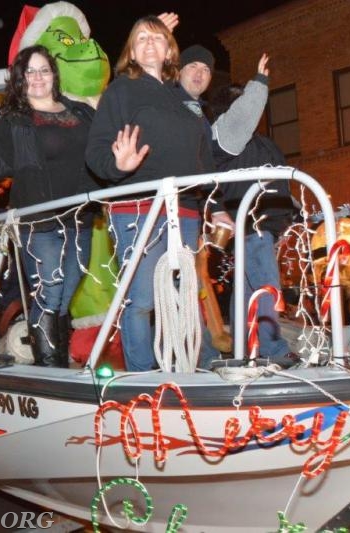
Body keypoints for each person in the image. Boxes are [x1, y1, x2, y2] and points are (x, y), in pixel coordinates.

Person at [85, 16, 226, 371]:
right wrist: (120, 165)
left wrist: (218, 207)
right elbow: (96, 152)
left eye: (157, 39)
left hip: (188, 210)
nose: (149, 43)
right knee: (144, 298)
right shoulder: (120, 90)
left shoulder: (181, 99)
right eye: (141, 39)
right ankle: (143, 377)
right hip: (139, 207)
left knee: (187, 297)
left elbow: (204, 160)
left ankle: (197, 364)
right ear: (131, 51)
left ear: (169, 51)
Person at [0, 45, 99, 367]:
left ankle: (56, 364)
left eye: (44, 69)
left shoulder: (82, 112)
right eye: (29, 71)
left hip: (80, 220)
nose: (38, 77)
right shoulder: (16, 120)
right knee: (48, 298)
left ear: (54, 75)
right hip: (39, 224)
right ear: (20, 79)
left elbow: (101, 153)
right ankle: (52, 373)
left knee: (63, 301)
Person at [208, 82, 299, 362]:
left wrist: (288, 211)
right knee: (265, 286)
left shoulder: (261, 142)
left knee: (247, 289)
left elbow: (279, 182)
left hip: (261, 222)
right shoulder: (228, 137)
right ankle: (272, 350)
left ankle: (245, 346)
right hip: (251, 222)